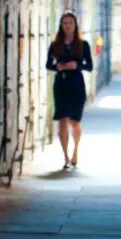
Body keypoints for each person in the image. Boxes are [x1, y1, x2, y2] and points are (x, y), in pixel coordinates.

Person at [46, 12, 93, 170]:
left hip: (76, 85)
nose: (67, 26)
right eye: (65, 23)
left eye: (70, 23)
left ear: (75, 25)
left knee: (75, 121)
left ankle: (75, 151)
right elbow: (48, 64)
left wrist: (76, 66)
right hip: (61, 84)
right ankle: (65, 157)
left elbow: (89, 66)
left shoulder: (83, 45)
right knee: (62, 120)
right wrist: (56, 67)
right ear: (61, 25)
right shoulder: (55, 45)